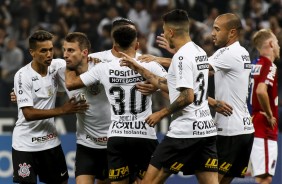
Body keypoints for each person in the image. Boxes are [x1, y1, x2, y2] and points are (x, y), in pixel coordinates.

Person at [120, 9, 218, 184]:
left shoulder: (181, 57)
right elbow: (170, 86)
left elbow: (187, 96)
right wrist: (140, 69)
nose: (164, 34)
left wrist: (161, 113)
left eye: (164, 31)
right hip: (206, 131)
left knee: (148, 182)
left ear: (171, 32)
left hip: (184, 133)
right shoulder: (199, 51)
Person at [65, 21, 167, 184]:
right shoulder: (150, 64)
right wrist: (154, 85)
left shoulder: (102, 67)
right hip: (144, 134)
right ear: (137, 44)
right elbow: (173, 89)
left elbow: (71, 83)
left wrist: (68, 65)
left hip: (117, 134)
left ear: (116, 46)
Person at [12, 30, 88, 184]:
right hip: (25, 144)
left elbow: (78, 61)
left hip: (50, 141)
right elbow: (28, 113)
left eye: (51, 49)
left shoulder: (57, 65)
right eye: (43, 50)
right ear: (32, 52)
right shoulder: (22, 75)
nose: (49, 54)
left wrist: (96, 59)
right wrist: (62, 110)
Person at [208, 13, 254, 184]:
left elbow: (196, 68)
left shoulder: (227, 53)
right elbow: (209, 70)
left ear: (232, 32)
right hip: (245, 130)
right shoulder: (242, 52)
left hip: (229, 131)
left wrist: (159, 59)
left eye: (217, 29)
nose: (212, 33)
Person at [249, 29, 279, 184]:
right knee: (265, 179)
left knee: (262, 177)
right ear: (271, 44)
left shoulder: (256, 65)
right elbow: (261, 91)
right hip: (264, 126)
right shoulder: (269, 65)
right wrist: (269, 113)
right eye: (277, 43)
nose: (279, 46)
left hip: (255, 122)